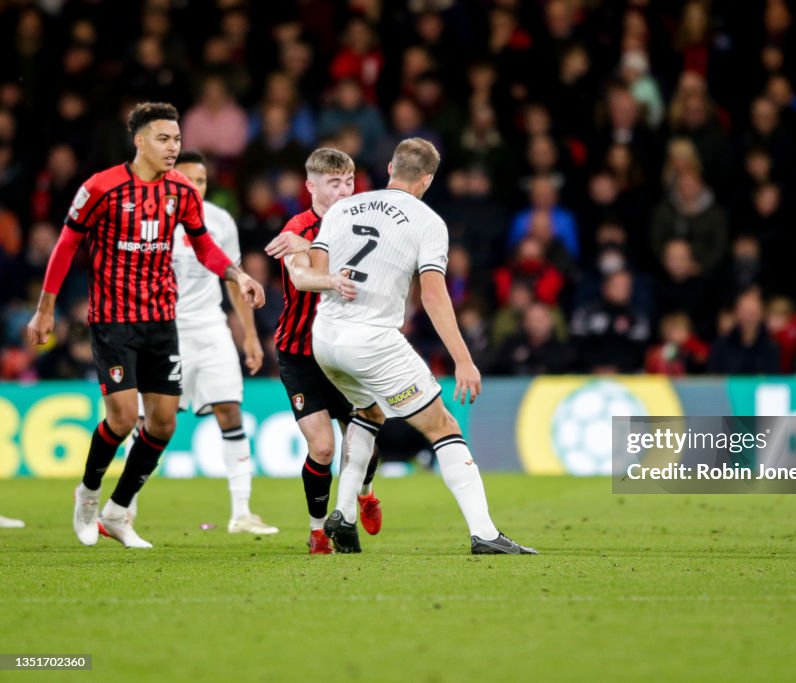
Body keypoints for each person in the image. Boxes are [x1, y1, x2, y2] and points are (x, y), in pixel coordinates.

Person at [26, 102, 265, 549]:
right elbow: (65, 245)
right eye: (163, 139)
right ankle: (88, 494)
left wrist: (238, 275)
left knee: (162, 425)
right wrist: (46, 308)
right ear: (139, 141)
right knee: (120, 418)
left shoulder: (182, 191)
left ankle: (118, 511)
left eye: (176, 139)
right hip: (114, 319)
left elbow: (204, 247)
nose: (173, 147)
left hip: (161, 320)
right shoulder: (101, 187)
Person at [307, 138, 535, 554]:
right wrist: (464, 360)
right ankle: (484, 534)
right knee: (443, 426)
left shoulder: (342, 207)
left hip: (325, 336)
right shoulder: (428, 222)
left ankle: (343, 512)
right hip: (371, 339)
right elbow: (432, 295)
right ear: (428, 179)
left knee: (368, 411)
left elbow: (318, 272)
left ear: (391, 165)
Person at [117, 151, 278, 536]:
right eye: (188, 181)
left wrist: (251, 336)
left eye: (202, 181)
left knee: (230, 411)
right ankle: (123, 509)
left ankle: (242, 512)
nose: (195, 187)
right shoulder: (150, 218)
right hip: (162, 331)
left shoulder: (219, 221)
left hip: (210, 329)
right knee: (148, 422)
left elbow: (234, 280)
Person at [263, 148, 382, 555]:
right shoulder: (297, 227)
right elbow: (300, 276)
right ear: (311, 186)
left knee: (362, 442)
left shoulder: (364, 223)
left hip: (346, 350)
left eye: (349, 182)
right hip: (300, 353)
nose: (345, 191)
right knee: (325, 448)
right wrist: (331, 279)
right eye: (335, 183)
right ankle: (317, 531)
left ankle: (365, 493)